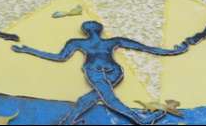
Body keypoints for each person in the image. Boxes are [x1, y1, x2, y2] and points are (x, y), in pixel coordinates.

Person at [12, 21, 188, 124]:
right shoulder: (112, 41)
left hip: (96, 70)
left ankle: (141, 120)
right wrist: (173, 51)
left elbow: (59, 57)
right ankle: (67, 122)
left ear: (85, 31)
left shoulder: (78, 42)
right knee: (86, 100)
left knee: (109, 99)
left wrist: (29, 50)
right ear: (99, 29)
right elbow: (148, 48)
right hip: (112, 71)